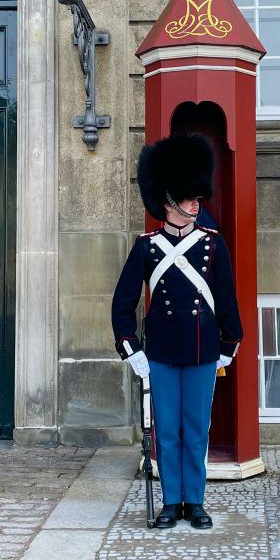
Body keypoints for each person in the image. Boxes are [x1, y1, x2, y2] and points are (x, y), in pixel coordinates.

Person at [111, 132, 243, 529]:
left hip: (203, 353)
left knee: (195, 429)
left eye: (196, 197)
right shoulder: (147, 247)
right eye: (188, 198)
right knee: (167, 430)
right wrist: (131, 348)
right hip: (163, 354)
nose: (195, 203)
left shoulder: (213, 245)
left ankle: (195, 501)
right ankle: (171, 501)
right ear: (169, 201)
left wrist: (229, 342)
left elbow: (227, 299)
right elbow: (123, 302)